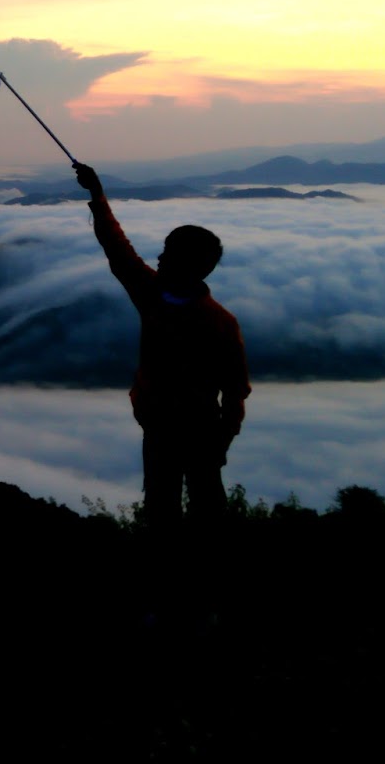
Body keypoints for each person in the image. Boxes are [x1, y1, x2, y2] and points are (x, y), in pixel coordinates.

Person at [74, 162, 249, 533]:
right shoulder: (206, 315)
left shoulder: (168, 303)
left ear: (186, 264)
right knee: (192, 510)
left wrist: (222, 439)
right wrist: (96, 196)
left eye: (167, 252)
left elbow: (235, 391)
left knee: (178, 513)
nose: (158, 257)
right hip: (185, 431)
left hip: (187, 432)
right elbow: (118, 249)